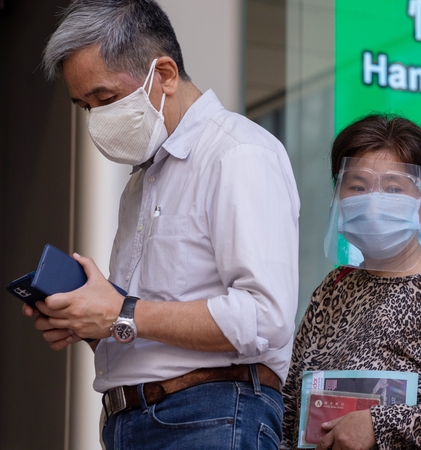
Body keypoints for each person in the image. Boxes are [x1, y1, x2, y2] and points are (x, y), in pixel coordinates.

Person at [25, 1, 300, 448]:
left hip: (211, 417)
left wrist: (121, 311)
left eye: (105, 99)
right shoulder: (143, 179)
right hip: (131, 421)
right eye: (84, 106)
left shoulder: (239, 153)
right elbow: (146, 326)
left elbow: (264, 318)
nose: (96, 119)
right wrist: (92, 321)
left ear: (165, 75)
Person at [280, 114, 421, 449]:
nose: (373, 202)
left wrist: (379, 425)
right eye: (358, 187)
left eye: (393, 189)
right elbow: (290, 407)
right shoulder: (333, 289)